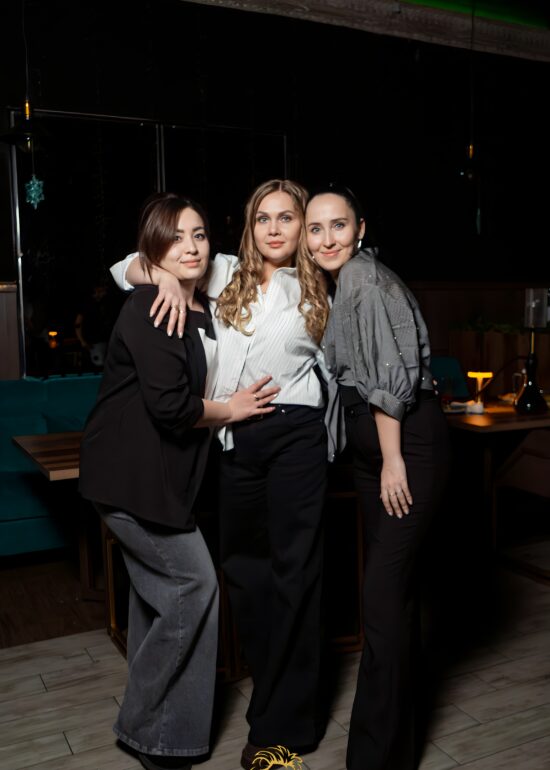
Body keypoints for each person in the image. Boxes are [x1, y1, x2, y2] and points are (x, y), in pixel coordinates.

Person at [110, 179, 336, 770]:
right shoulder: (225, 271)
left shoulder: (324, 283)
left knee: (295, 577)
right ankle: (268, 694)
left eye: (288, 218)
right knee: (244, 576)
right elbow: (122, 267)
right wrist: (158, 276)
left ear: (303, 227)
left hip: (295, 434)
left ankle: (285, 728)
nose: (275, 229)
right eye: (264, 217)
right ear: (249, 226)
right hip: (232, 440)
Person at [79, 192, 279, 770]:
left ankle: (155, 736)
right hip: (131, 480)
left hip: (160, 479)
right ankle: (149, 730)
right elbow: (170, 408)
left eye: (198, 234)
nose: (190, 247)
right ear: (154, 248)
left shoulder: (203, 295)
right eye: (175, 238)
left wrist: (163, 273)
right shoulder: (151, 305)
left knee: (159, 601)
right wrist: (231, 410)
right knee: (194, 588)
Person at [305, 184, 451, 770]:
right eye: (316, 229)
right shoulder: (341, 283)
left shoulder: (365, 279)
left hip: (404, 446)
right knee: (396, 600)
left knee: (382, 599)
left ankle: (374, 760)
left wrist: (392, 459)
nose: (326, 239)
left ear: (360, 229)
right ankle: (394, 750)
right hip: (375, 453)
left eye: (338, 226)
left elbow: (391, 380)